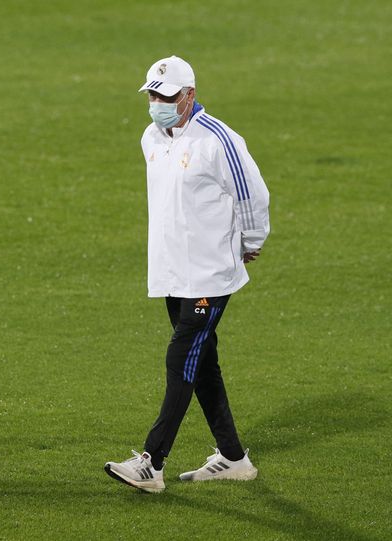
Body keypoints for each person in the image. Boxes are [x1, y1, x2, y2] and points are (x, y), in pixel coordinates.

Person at [104, 56, 271, 493]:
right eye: (152, 95)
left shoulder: (219, 140)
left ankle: (151, 463)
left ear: (189, 95)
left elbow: (252, 193)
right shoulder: (151, 137)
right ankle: (233, 459)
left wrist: (251, 242)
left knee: (181, 359)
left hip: (209, 274)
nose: (157, 103)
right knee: (202, 363)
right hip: (172, 272)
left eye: (166, 95)